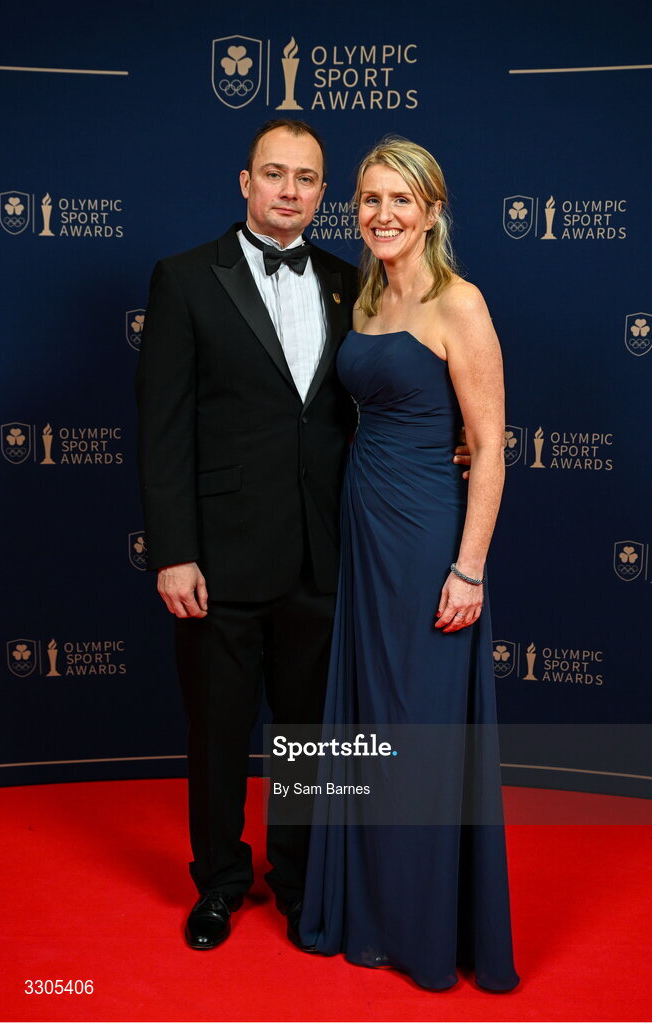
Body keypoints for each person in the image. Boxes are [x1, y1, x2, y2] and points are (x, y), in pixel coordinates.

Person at [135, 120, 471, 952]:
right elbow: (163, 429)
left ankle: (296, 878)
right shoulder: (184, 279)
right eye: (274, 174)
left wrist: (454, 440)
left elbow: (397, 385)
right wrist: (174, 550)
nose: (290, 190)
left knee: (308, 738)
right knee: (216, 731)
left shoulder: (346, 281)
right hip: (217, 556)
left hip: (327, 554)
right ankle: (218, 882)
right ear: (244, 182)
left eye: (308, 178)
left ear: (324, 194)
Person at [298, 137, 520, 992]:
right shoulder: (362, 301)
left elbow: (491, 449)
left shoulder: (460, 304)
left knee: (418, 736)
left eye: (401, 199)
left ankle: (425, 928)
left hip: (430, 535)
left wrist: (468, 569)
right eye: (369, 199)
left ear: (432, 210)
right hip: (367, 534)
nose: (382, 214)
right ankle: (368, 915)